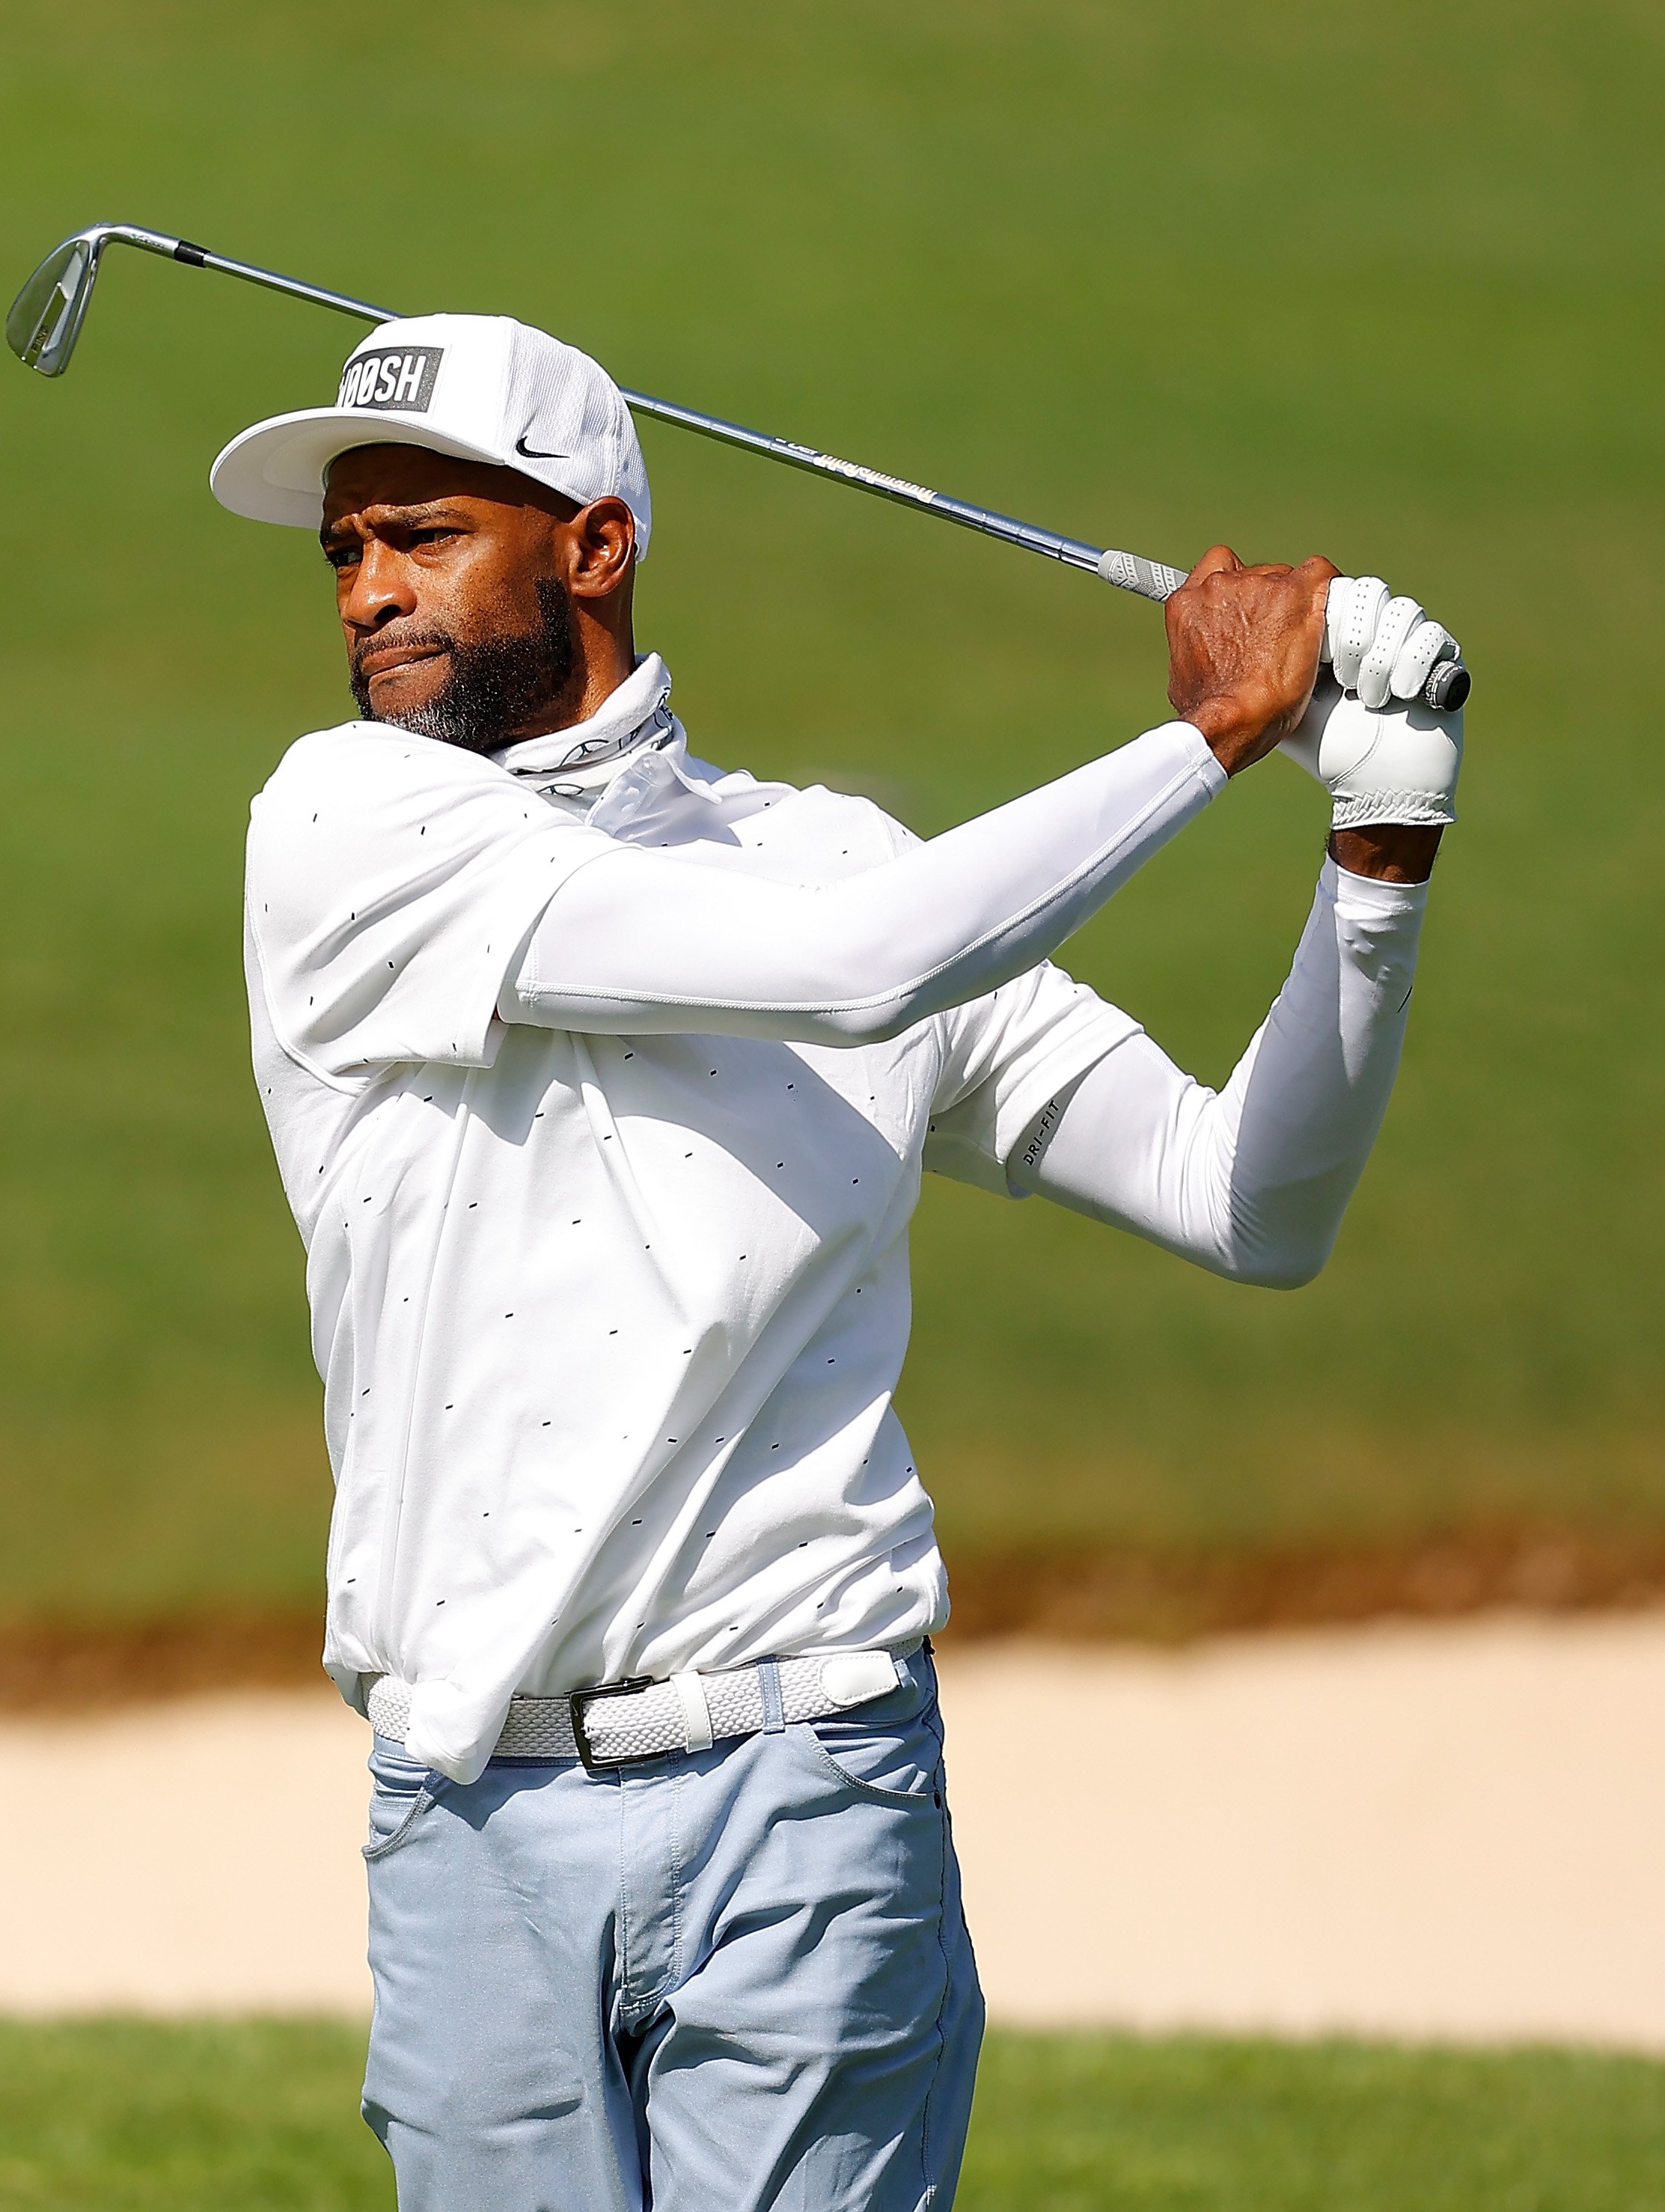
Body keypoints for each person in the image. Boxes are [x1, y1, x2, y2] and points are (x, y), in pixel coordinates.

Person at [211, 313, 1463, 2211]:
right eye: (346, 551)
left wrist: (1378, 851)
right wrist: (1212, 730)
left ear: (596, 544)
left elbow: (1246, 1201)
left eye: (427, 532)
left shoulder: (838, 859)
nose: (371, 592)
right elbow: (856, 966)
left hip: (807, 1782)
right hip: (466, 1806)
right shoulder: (343, 827)